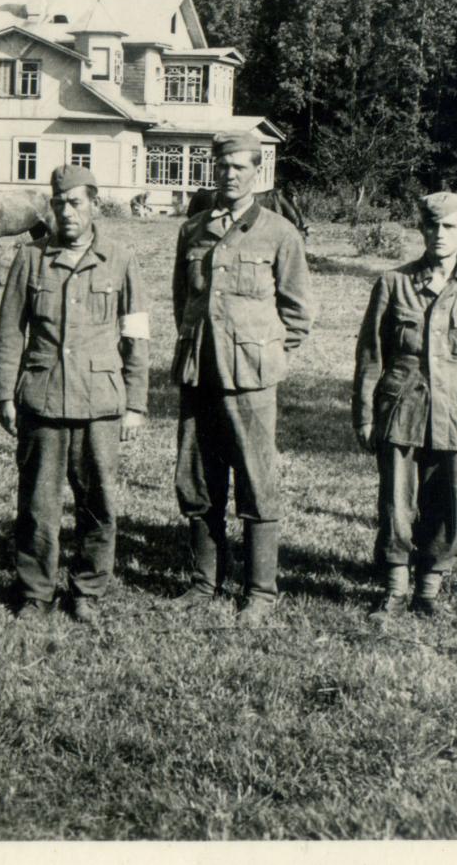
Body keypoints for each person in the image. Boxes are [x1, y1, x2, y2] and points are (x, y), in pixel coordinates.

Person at [0, 164, 149, 622]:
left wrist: (136, 403)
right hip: (42, 397)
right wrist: (4, 395)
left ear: (94, 205)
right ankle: (35, 592)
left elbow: (135, 335)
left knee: (98, 503)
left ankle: (88, 590)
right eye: (58, 203)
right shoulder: (30, 258)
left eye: (75, 203)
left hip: (100, 401)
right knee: (37, 505)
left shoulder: (120, 258)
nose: (66, 212)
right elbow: (9, 332)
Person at [171, 130, 314, 625]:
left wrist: (265, 353)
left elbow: (298, 313)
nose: (229, 174)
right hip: (199, 373)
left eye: (239, 166)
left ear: (257, 171)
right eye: (222, 165)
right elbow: (183, 302)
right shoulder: (193, 230)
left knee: (256, 481)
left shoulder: (279, 232)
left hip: (251, 379)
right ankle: (204, 581)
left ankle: (259, 591)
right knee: (197, 479)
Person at [352, 192, 457, 616]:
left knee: (448, 500)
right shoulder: (393, 283)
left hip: (456, 412)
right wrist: (365, 416)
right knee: (396, 500)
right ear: (421, 229)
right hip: (400, 408)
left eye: (449, 227)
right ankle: (395, 586)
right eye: (432, 225)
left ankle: (429, 588)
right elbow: (370, 355)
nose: (440, 234)